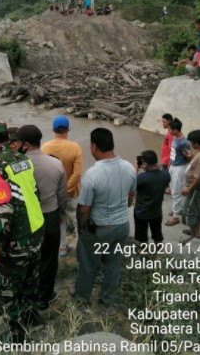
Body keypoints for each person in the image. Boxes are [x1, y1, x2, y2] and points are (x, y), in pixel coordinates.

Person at [0, 120, 44, 341]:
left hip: (17, 237)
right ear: (8, 139)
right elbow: (31, 192)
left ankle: (19, 334)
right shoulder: (22, 158)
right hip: (36, 229)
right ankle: (32, 317)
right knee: (29, 279)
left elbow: (5, 210)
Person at [72, 128, 136, 309]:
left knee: (88, 266)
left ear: (93, 146)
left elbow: (84, 209)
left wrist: (81, 229)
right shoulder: (129, 167)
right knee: (112, 265)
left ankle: (82, 298)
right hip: (122, 225)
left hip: (100, 229)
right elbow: (131, 198)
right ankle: (107, 300)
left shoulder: (92, 174)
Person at [14, 125, 68, 310]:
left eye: (18, 142)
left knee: (27, 258)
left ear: (26, 145)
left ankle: (24, 296)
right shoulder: (56, 164)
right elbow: (62, 196)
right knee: (49, 258)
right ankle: (44, 297)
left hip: (26, 219)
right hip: (50, 216)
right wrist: (60, 213)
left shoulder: (16, 167)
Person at [41, 116, 82, 257]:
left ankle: (62, 248)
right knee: (77, 220)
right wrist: (66, 190)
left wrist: (57, 191)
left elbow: (44, 172)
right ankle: (81, 249)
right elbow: (77, 174)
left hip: (52, 194)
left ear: (53, 129)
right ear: (68, 129)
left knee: (60, 220)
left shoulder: (45, 147)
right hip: (72, 193)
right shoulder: (75, 147)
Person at [134, 150, 170, 246]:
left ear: (145, 163)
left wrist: (136, 169)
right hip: (156, 212)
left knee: (142, 236)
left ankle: (144, 253)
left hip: (141, 212)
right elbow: (157, 176)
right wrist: (147, 169)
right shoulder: (166, 174)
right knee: (157, 233)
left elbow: (132, 187)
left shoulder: (142, 177)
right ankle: (159, 252)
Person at [166, 118, 190, 226]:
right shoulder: (175, 137)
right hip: (173, 166)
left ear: (175, 130)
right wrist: (169, 165)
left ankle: (175, 216)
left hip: (179, 168)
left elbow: (188, 157)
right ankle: (178, 208)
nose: (168, 131)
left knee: (176, 192)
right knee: (173, 189)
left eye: (170, 129)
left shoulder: (184, 143)